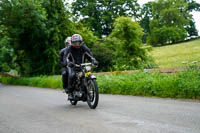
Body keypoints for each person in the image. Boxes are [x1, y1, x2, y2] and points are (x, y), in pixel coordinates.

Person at [60, 34, 98, 100]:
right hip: (73, 66)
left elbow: (90, 56)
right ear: (72, 42)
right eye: (75, 42)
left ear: (81, 42)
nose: (77, 44)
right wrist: (68, 63)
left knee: (86, 75)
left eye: (78, 42)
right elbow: (66, 58)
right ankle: (70, 93)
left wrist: (93, 60)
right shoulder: (69, 49)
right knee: (72, 75)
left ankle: (86, 91)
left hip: (82, 66)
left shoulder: (84, 48)